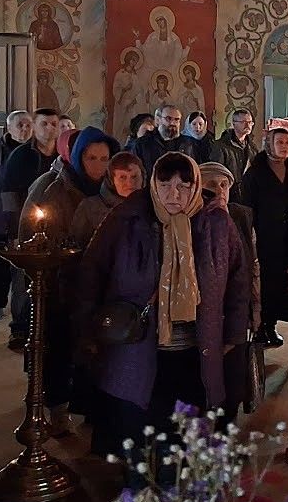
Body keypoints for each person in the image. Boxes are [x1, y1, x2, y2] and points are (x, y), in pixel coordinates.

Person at [76, 152, 250, 457]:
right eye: (166, 184)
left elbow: (238, 280)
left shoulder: (216, 223)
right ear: (154, 184)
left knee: (187, 432)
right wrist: (88, 329)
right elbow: (91, 273)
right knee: (141, 432)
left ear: (196, 187)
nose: (174, 194)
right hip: (138, 347)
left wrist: (234, 335)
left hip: (196, 350)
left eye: (184, 186)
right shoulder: (126, 219)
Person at [21, 126, 119, 435]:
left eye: (104, 158)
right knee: (58, 347)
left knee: (92, 346)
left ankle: (89, 406)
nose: (98, 165)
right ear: (77, 157)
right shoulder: (53, 189)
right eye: (91, 158)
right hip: (59, 282)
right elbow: (33, 237)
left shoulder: (110, 188)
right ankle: (56, 407)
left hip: (96, 284)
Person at [200, 160, 261, 419]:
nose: (219, 190)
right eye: (211, 184)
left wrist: (256, 308)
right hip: (208, 312)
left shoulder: (241, 215)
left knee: (234, 380)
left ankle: (227, 426)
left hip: (238, 308)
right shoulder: (194, 219)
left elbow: (253, 264)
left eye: (224, 184)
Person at [0, 107, 61, 349]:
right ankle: (20, 328)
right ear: (35, 126)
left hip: (55, 226)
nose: (50, 129)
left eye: (54, 124)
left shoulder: (62, 157)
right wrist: (14, 231)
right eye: (44, 124)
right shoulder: (21, 156)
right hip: (24, 225)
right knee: (22, 279)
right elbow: (9, 194)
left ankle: (45, 327)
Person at [238, 128, 288, 347]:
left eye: (287, 142)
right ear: (269, 144)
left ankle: (272, 325)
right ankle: (260, 327)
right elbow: (247, 207)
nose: (284, 146)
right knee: (264, 284)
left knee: (281, 285)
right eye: (280, 142)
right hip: (264, 237)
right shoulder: (256, 171)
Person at [0, 110, 32, 321]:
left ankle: (25, 310)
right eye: (20, 125)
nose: (24, 129)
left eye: (28, 125)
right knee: (0, 264)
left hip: (29, 217)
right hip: (1, 217)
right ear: (9, 128)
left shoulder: (36, 151)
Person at [71, 152, 144, 248]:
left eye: (134, 177)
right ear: (111, 181)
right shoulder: (89, 208)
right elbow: (76, 246)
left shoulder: (152, 207)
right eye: (122, 177)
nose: (130, 183)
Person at [133, 104, 196, 177]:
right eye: (168, 118)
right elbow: (138, 172)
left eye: (176, 120)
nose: (173, 123)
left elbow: (193, 170)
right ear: (158, 120)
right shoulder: (142, 144)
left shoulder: (187, 143)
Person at [210, 108, 258, 183]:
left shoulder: (252, 147)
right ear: (234, 123)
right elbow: (217, 172)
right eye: (243, 122)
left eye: (250, 122)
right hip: (229, 187)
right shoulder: (221, 146)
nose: (248, 125)